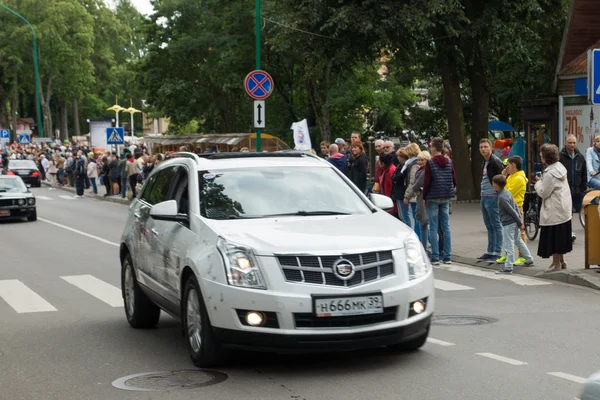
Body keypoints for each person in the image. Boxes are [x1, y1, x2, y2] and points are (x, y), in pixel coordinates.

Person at [535, 144, 573, 272]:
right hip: (563, 208)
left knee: (555, 237)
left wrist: (538, 183)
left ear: (546, 157)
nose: (540, 158)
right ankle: (562, 261)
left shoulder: (550, 173)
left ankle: (556, 264)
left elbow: (544, 192)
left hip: (553, 209)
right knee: (560, 236)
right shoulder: (560, 167)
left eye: (541, 156)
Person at [423, 137, 456, 265]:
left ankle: (435, 256)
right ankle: (447, 256)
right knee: (446, 226)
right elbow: (454, 178)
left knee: (433, 226)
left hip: (433, 196)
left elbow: (427, 182)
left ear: (433, 148)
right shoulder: (449, 161)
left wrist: (425, 196)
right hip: (446, 196)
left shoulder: (430, 163)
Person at [492, 174, 534, 274]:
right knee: (518, 240)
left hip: (508, 223)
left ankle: (508, 266)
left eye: (493, 183)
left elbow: (511, 210)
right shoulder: (507, 193)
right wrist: (519, 220)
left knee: (509, 243)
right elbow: (515, 206)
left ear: (497, 185)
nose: (492, 185)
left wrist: (520, 222)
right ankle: (529, 259)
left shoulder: (502, 197)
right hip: (514, 222)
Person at [496, 156, 528, 265]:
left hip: (516, 207)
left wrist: (502, 180)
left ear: (513, 165)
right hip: (508, 206)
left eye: (508, 165)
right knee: (507, 232)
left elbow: (507, 192)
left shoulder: (519, 178)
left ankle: (522, 256)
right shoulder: (511, 176)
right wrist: (504, 177)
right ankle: (507, 253)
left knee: (519, 232)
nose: (506, 167)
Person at [477, 138, 505, 262]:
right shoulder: (485, 162)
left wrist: (498, 194)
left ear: (491, 148)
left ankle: (497, 252)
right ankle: (490, 250)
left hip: (492, 197)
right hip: (484, 196)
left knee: (496, 224)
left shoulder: (495, 161)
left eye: (485, 147)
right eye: (481, 147)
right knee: (489, 225)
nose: (483, 149)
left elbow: (502, 178)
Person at [560, 134, 586, 242]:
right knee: (567, 212)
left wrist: (583, 185)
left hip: (577, 189)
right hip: (565, 189)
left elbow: (584, 172)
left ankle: (568, 232)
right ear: (565, 143)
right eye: (570, 142)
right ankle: (568, 233)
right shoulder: (560, 157)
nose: (572, 145)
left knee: (576, 210)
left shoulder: (580, 157)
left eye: (574, 143)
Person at [412, 151, 431, 249]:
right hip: (420, 197)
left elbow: (416, 185)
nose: (420, 162)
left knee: (423, 222)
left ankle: (424, 246)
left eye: (422, 160)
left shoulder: (424, 171)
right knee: (422, 222)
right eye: (419, 160)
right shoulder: (420, 170)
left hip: (423, 199)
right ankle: (427, 244)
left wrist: (417, 189)